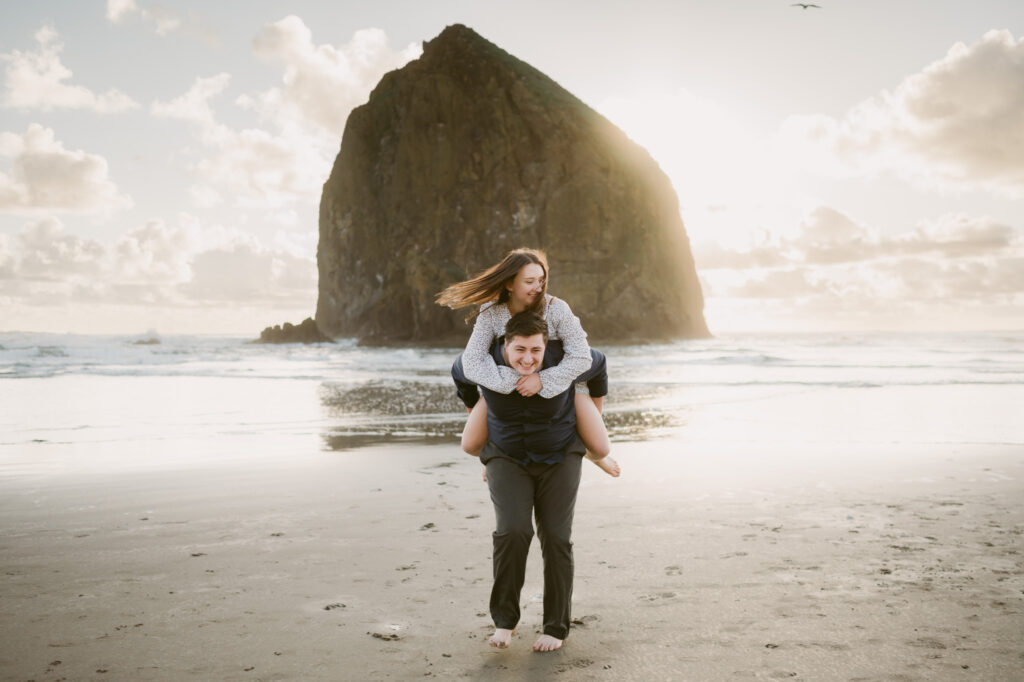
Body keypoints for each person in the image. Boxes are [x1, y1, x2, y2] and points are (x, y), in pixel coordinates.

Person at [463, 310, 588, 652]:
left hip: (560, 455)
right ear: (505, 344)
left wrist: (594, 415)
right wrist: (478, 411)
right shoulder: (481, 363)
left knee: (557, 537)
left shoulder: (563, 360)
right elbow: (459, 376)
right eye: (520, 350)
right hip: (506, 456)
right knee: (513, 531)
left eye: (536, 350)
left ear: (546, 346)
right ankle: (505, 621)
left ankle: (556, 626)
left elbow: (600, 365)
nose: (528, 358)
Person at [436, 248, 619, 477]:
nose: (538, 287)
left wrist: (542, 379)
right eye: (530, 281)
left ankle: (591, 453)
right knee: (471, 445)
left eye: (541, 281)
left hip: (561, 382)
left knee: (601, 448)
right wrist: (511, 381)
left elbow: (583, 356)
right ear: (510, 284)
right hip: (505, 386)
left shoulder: (556, 309)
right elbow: (471, 361)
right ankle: (491, 453)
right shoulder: (491, 312)